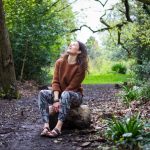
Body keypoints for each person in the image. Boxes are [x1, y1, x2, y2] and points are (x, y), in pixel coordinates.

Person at [38, 41, 88, 137]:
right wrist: (56, 99)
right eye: (70, 44)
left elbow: (71, 87)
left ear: (79, 52)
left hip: (74, 96)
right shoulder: (59, 62)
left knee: (66, 94)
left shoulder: (80, 67)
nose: (70, 45)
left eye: (74, 45)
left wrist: (59, 101)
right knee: (42, 93)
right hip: (60, 95)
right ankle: (46, 126)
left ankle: (58, 128)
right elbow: (55, 82)